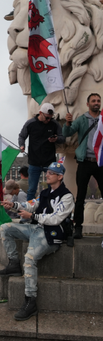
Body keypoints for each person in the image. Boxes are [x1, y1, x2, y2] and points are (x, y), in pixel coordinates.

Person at [0, 161, 73, 321]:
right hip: (36, 228)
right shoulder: (45, 192)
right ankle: (13, 264)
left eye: (51, 173)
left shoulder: (67, 196)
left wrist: (33, 217)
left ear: (60, 176)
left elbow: (56, 218)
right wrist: (14, 205)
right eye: (48, 172)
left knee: (30, 259)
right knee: (5, 228)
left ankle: (30, 301)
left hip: (51, 234)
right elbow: (30, 205)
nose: (48, 174)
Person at [64, 92, 103, 238]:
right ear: (88, 104)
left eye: (98, 101)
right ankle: (78, 227)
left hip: (100, 162)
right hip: (85, 161)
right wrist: (68, 123)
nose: (96, 103)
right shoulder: (82, 119)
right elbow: (68, 132)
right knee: (80, 196)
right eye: (93, 101)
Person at [15, 102, 66, 199]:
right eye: (47, 117)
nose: (49, 120)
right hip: (34, 162)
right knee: (31, 190)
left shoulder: (54, 124)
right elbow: (22, 136)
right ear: (40, 113)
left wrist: (56, 139)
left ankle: (52, 208)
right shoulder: (30, 123)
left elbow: (62, 137)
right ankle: (29, 211)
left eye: (50, 117)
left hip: (49, 162)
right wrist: (22, 145)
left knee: (53, 188)